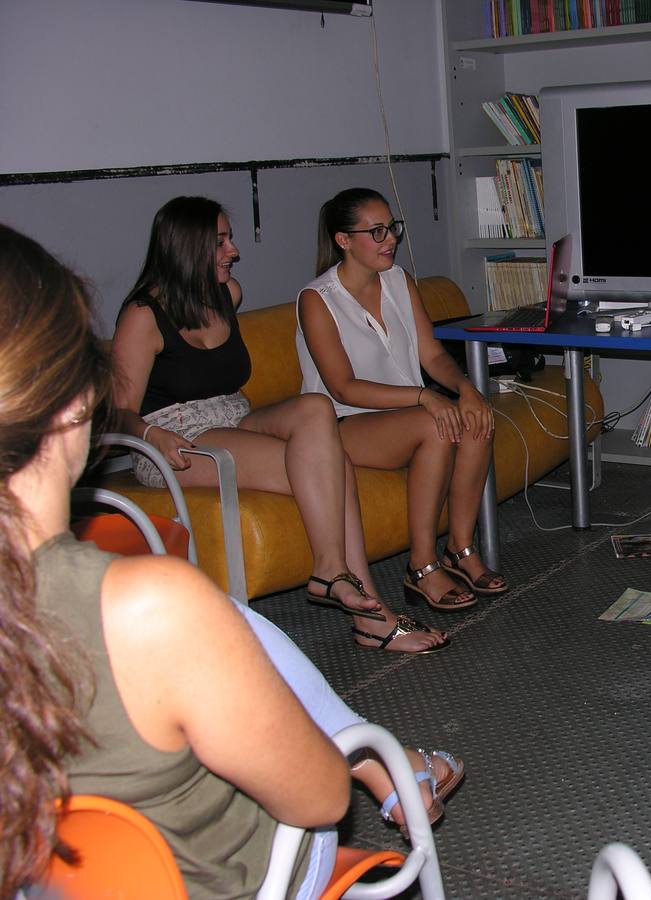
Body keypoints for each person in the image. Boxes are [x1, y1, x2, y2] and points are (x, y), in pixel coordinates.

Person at [0, 225, 462, 898]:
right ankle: (386, 755)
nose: (233, 248)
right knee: (232, 614)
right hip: (227, 880)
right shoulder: (151, 605)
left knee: (315, 443)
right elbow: (320, 799)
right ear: (74, 403)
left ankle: (346, 583)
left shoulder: (225, 296)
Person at [109, 196, 445, 654]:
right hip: (175, 441)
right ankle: (369, 612)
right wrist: (151, 434)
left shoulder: (228, 295)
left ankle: (334, 575)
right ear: (187, 248)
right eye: (221, 241)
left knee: (314, 409)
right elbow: (118, 411)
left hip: (233, 418)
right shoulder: (143, 315)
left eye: (229, 238)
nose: (234, 250)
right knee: (334, 465)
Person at [297, 188, 506, 612]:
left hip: (406, 413)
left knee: (474, 414)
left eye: (392, 228)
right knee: (436, 422)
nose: (389, 239)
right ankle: (421, 565)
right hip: (342, 424)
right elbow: (342, 387)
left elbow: (430, 353)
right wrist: (425, 397)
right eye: (376, 232)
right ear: (343, 240)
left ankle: (460, 549)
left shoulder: (397, 280)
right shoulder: (317, 300)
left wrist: (466, 389)